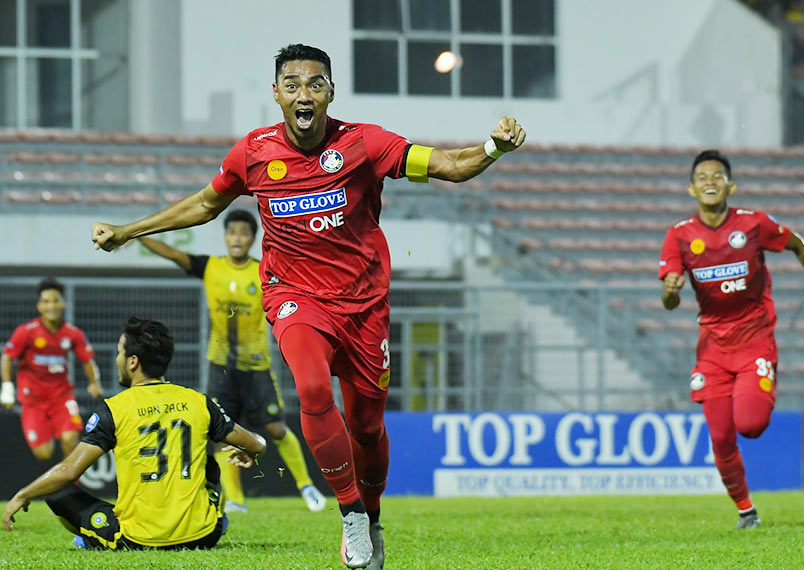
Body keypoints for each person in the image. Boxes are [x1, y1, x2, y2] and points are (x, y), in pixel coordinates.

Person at [91, 43, 526, 569]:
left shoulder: (365, 144)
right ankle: (348, 515)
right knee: (314, 389)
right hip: (295, 298)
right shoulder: (253, 152)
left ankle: (370, 514)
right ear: (276, 94)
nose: (304, 94)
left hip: (365, 306)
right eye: (292, 84)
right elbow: (206, 203)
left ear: (330, 93)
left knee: (367, 427)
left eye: (315, 84)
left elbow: (450, 166)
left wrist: (493, 146)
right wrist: (128, 231)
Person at [659, 149, 804, 529]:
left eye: (717, 176)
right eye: (702, 177)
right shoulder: (678, 236)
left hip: (755, 338)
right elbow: (669, 301)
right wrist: (671, 291)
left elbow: (797, 244)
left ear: (731, 185)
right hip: (712, 348)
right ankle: (746, 511)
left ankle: (763, 380)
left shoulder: (753, 224)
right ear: (691, 189)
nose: (710, 181)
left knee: (751, 424)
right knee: (721, 436)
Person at [2, 317, 267, 550]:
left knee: (58, 493)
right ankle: (213, 520)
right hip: (204, 536)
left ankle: (90, 538)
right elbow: (256, 444)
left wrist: (23, 494)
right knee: (209, 464)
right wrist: (252, 451)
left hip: (138, 539)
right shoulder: (199, 401)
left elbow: (69, 472)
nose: (116, 358)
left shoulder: (114, 409)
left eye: (119, 352)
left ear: (132, 361)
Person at [139, 209, 327, 513]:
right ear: (225, 237)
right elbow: (173, 254)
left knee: (277, 427)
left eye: (243, 233)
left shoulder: (263, 270)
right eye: (232, 232)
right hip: (221, 367)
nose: (237, 238)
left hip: (257, 366)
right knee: (222, 432)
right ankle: (236, 501)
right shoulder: (210, 267)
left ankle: (306, 485)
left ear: (253, 239)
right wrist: (134, 233)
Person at [1, 277, 104, 461]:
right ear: (39, 306)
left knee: (70, 438)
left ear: (63, 303)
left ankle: (73, 486)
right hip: (33, 401)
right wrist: (7, 389)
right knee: (44, 453)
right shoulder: (27, 332)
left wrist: (94, 383)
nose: (52, 306)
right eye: (46, 301)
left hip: (61, 397)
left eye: (56, 300)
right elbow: (7, 357)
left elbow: (88, 360)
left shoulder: (73, 333)